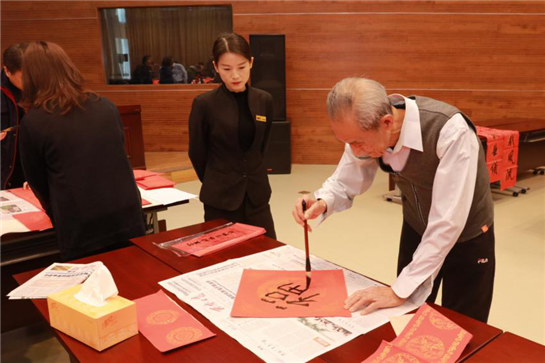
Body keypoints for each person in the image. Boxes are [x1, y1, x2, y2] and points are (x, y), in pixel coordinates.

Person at [292, 77, 495, 323]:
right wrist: (323, 200)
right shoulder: (367, 126)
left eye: (357, 142)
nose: (355, 150)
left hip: (468, 234)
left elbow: (448, 220)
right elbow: (347, 177)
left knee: (462, 326)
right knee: (409, 315)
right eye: (347, 142)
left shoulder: (450, 131)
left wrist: (399, 290)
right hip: (416, 225)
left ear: (387, 122)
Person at [19, 41, 146, 260]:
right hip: (126, 213)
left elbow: (37, 180)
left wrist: (57, 212)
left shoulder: (35, 121)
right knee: (133, 281)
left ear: (31, 77)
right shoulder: (105, 106)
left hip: (81, 222)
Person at [189, 32, 276, 239]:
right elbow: (197, 153)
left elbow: (261, 147)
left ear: (251, 63)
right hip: (220, 199)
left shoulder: (264, 100)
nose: (235, 76)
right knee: (223, 261)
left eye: (241, 67)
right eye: (227, 69)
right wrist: (218, 179)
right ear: (216, 67)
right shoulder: (204, 104)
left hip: (257, 196)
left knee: (267, 255)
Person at [1, 43, 28, 189]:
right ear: (7, 70)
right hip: (4, 176)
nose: (30, 81)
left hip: (30, 175)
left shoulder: (43, 88)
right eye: (24, 76)